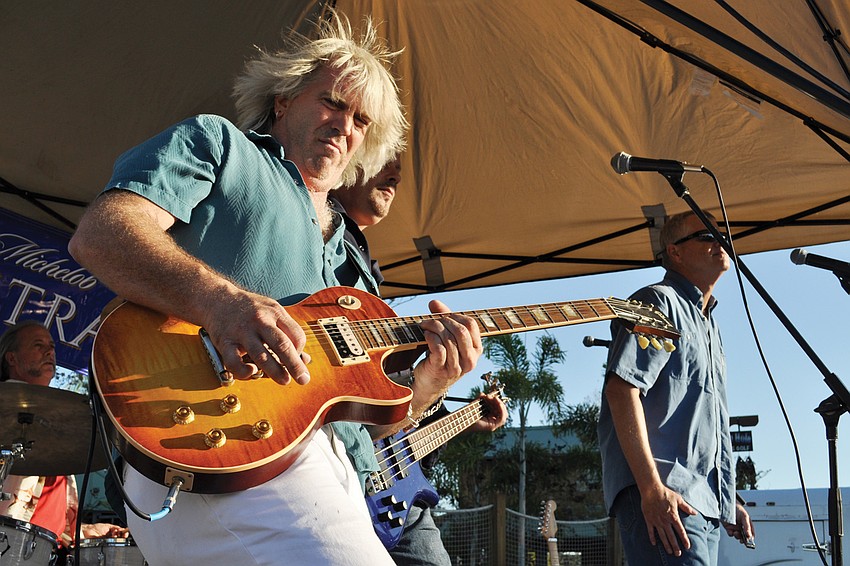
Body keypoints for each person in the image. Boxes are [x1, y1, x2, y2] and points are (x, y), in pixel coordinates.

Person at [68, 11, 482, 566]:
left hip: (333, 475)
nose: (345, 126)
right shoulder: (221, 146)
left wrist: (428, 385)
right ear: (285, 99)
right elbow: (101, 235)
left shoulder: (357, 265)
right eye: (332, 102)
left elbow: (362, 421)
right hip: (204, 439)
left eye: (361, 120)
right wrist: (220, 301)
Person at [331, 159, 508, 565]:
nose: (397, 174)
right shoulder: (316, 242)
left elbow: (391, 388)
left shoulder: (360, 262)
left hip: (395, 488)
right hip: (339, 468)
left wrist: (455, 407)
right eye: (383, 161)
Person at [597, 210, 754, 565]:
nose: (720, 241)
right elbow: (622, 391)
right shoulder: (658, 303)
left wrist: (729, 500)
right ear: (675, 252)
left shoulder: (708, 323)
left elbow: (704, 423)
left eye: (721, 234)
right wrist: (652, 489)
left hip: (701, 502)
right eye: (706, 235)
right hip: (665, 496)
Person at [0, 321, 128, 549]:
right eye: (38, 345)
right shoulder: (5, 411)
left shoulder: (60, 423)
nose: (49, 351)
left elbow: (55, 524)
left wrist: (87, 531)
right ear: (12, 358)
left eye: (51, 346)